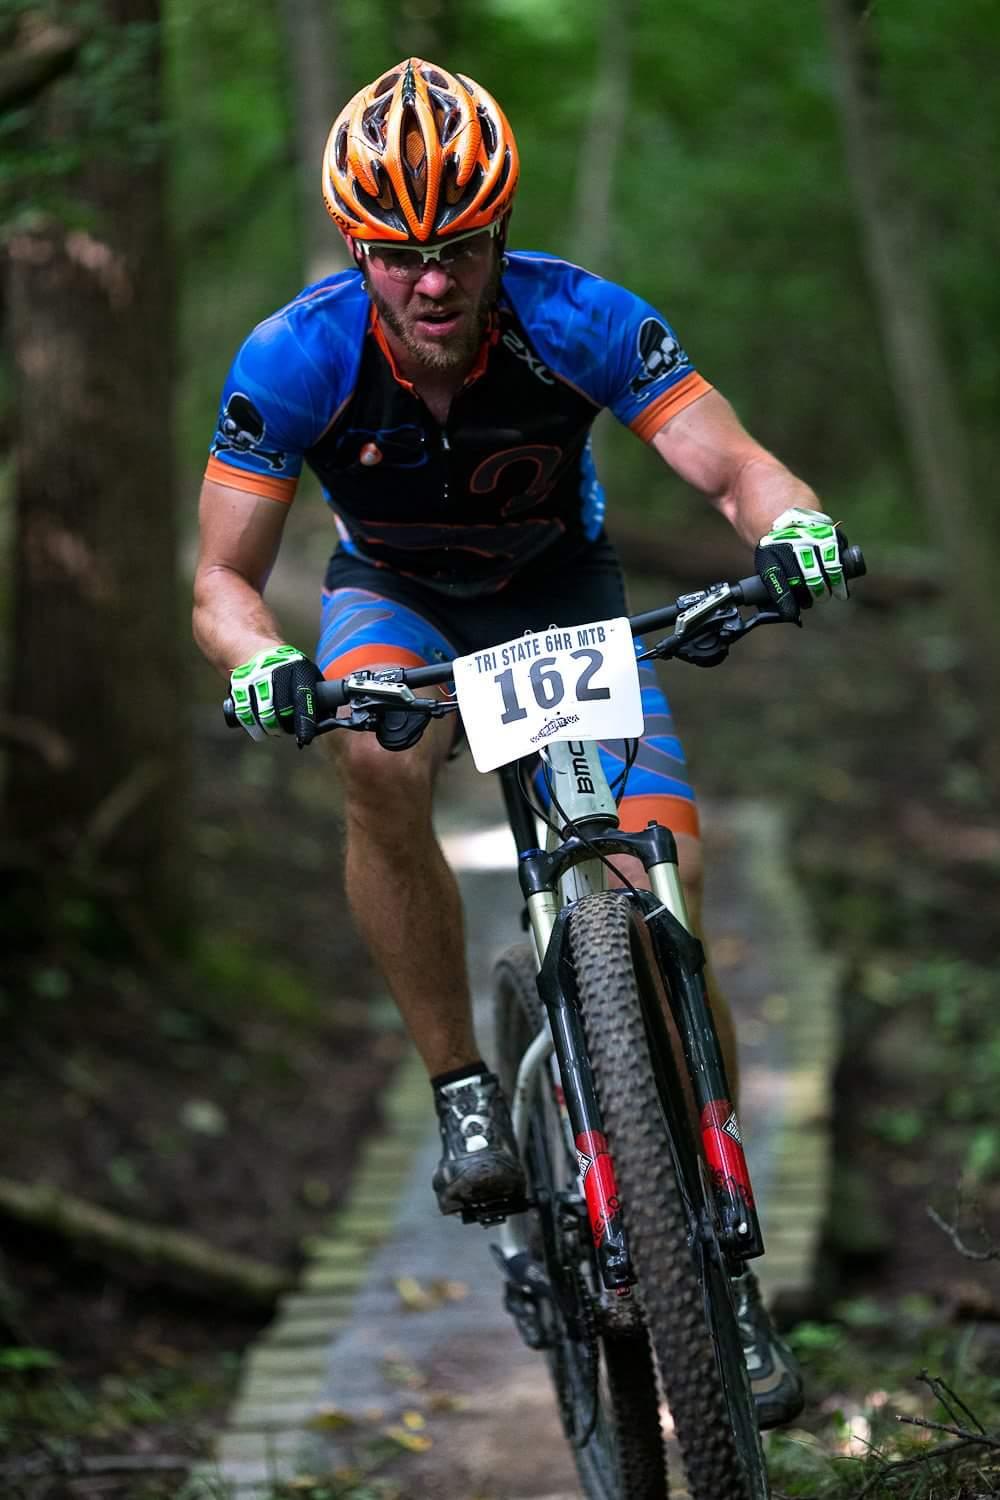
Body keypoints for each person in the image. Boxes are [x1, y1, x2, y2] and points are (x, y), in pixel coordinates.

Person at [193, 58, 848, 1429]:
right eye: (402, 255)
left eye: (464, 250)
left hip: (563, 603)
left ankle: (721, 1248)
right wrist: (262, 662)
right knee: (374, 763)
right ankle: (463, 1093)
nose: (434, 283)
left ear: (503, 235)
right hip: (399, 603)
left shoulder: (579, 318)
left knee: (663, 892)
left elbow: (734, 466)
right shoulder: (296, 354)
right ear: (360, 246)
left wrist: (791, 526)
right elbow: (223, 582)